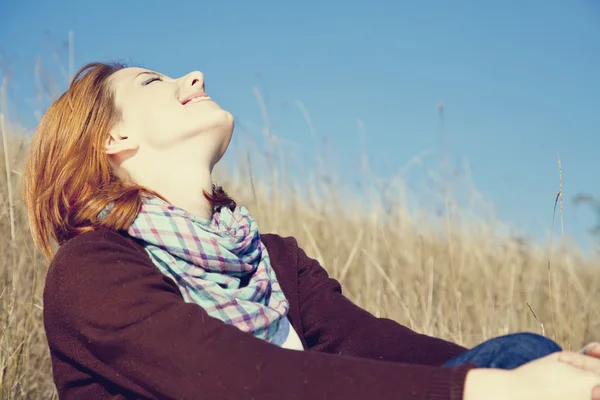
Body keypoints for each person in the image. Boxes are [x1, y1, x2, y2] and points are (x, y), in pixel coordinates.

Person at [20, 62, 600, 400]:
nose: (192, 77)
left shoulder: (272, 258)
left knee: (523, 357)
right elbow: (235, 382)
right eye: (153, 83)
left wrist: (548, 376)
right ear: (111, 139)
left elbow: (380, 348)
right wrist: (481, 393)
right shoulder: (92, 271)